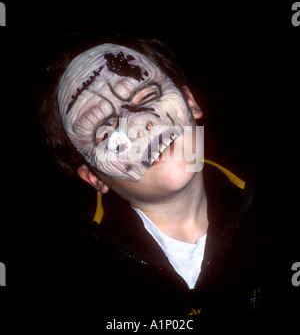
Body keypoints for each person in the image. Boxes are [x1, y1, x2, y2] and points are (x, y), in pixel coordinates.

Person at [37, 34, 283, 316]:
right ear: (95, 178)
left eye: (148, 95)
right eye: (106, 132)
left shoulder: (275, 213)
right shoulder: (79, 274)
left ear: (190, 102)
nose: (140, 123)